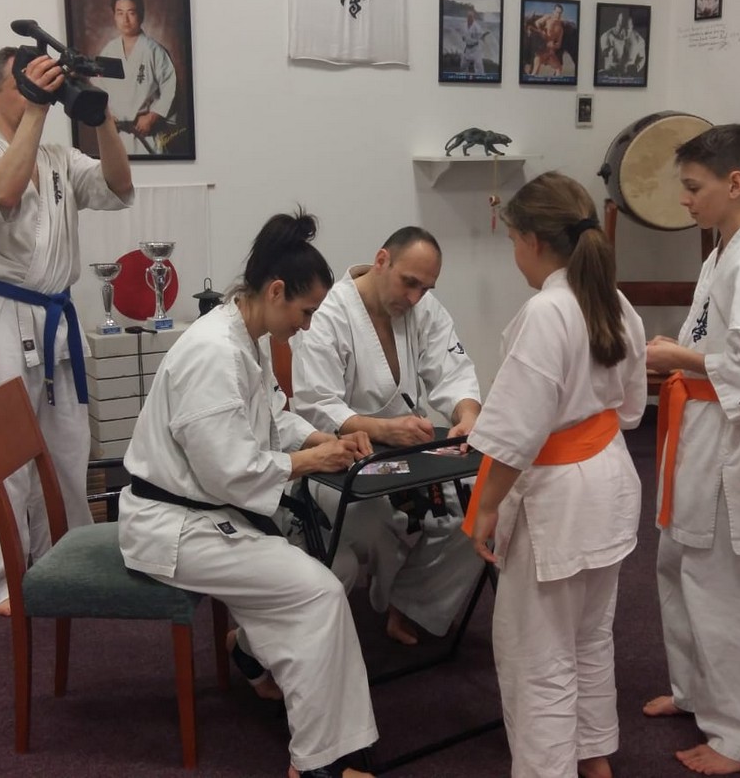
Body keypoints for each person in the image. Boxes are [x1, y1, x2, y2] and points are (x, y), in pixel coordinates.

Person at [118, 210, 378, 778]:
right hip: (175, 526)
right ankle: (319, 762)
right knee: (319, 592)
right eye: (306, 312)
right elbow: (227, 471)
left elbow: (271, 416)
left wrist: (321, 438)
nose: (307, 327)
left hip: (210, 509)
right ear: (276, 291)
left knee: (337, 568)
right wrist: (311, 461)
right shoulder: (214, 352)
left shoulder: (245, 334)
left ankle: (248, 652)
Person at [464, 171, 647, 778]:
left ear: (534, 241)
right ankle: (593, 756)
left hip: (559, 497)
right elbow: (631, 409)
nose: (513, 253)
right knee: (590, 634)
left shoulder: (547, 311)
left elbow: (516, 432)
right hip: (610, 479)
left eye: (512, 240)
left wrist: (485, 507)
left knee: (537, 653)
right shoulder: (612, 300)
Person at [0, 47, 134, 616]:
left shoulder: (59, 157)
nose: (37, 93)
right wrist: (36, 109)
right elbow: (1, 194)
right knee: (2, 457)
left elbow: (118, 186)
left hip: (54, 317)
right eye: (24, 84)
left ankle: (64, 564)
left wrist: (102, 117)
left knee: (67, 449)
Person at [642, 123, 740, 775]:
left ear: (735, 184)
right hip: (696, 430)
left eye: (693, 187)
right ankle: (696, 692)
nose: (685, 200)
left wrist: (678, 357)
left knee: (730, 591)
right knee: (678, 568)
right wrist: (676, 361)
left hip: (732, 441)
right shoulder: (722, 253)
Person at [290, 226, 485, 646]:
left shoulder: (424, 307)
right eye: (409, 282)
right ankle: (385, 589)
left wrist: (467, 415)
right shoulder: (328, 314)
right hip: (342, 458)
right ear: (381, 260)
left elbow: (453, 373)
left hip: (412, 450)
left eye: (425, 287)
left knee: (484, 500)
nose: (415, 297)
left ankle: (411, 603)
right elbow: (315, 405)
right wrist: (381, 429)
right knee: (373, 518)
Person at [96, 0, 179, 156]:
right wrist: (107, 115)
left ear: (141, 15)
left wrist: (153, 116)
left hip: (146, 134)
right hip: (117, 134)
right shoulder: (109, 51)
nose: (125, 19)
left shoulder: (153, 50)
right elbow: (99, 88)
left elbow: (171, 86)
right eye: (120, 13)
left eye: (131, 13)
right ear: (114, 16)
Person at [598, 12, 645, 78]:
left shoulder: (639, 40)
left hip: (629, 78)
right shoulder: (607, 36)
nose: (622, 31)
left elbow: (642, 58)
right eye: (620, 26)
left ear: (632, 27)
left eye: (627, 28)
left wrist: (637, 67)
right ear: (617, 23)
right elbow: (603, 57)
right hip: (610, 76)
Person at [535, 4, 566, 76]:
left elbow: (559, 44)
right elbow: (537, 23)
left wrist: (553, 45)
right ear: (553, 11)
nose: (558, 14)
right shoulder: (548, 17)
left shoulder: (561, 28)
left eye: (560, 13)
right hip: (541, 51)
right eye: (557, 12)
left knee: (559, 69)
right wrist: (541, 31)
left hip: (551, 53)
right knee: (535, 72)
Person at [459, 10, 489, 75]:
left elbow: (481, 34)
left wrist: (483, 36)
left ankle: (480, 76)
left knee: (479, 65)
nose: (469, 18)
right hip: (467, 48)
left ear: (473, 17)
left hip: (475, 49)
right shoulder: (463, 25)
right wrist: (464, 38)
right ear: (467, 17)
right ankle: (464, 76)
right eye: (468, 16)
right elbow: (463, 35)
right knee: (463, 65)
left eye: (471, 16)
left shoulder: (477, 26)